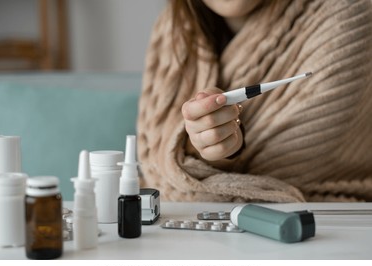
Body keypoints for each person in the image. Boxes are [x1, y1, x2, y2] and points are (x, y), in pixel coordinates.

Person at [137, 0, 372, 202]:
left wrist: (222, 150)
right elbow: (153, 166)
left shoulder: (349, 17)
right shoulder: (173, 28)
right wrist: (200, 146)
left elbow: (279, 172)